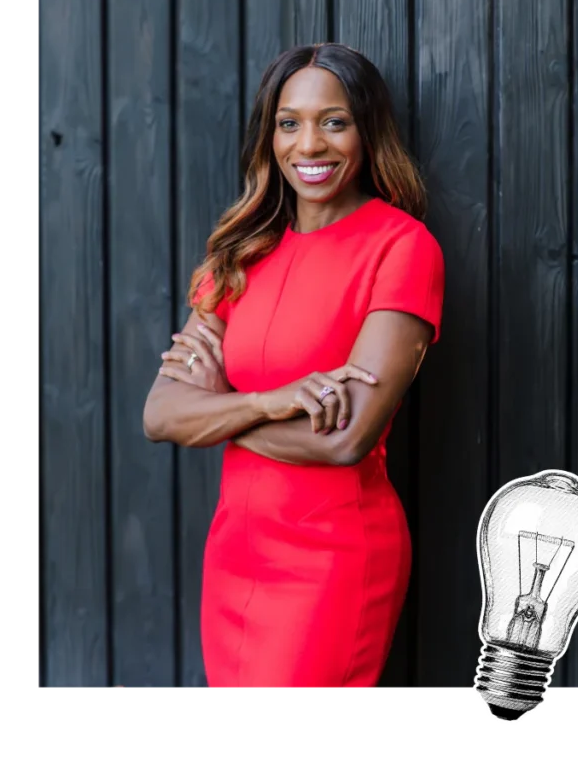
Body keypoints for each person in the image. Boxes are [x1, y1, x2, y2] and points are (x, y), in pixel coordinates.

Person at [143, 42, 445, 690]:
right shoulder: (243, 254)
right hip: (235, 552)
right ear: (269, 136)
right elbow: (160, 413)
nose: (309, 144)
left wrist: (216, 414)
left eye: (333, 121)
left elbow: (344, 439)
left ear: (367, 131)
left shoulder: (401, 248)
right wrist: (273, 401)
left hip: (332, 561)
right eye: (289, 123)